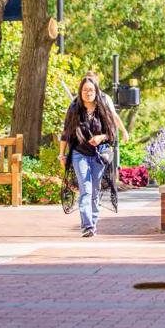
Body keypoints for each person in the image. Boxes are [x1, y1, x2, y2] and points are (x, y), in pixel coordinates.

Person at [58, 76, 117, 237]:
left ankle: (93, 221)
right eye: (85, 90)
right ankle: (87, 226)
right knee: (86, 189)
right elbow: (65, 133)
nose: (88, 93)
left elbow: (111, 133)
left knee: (95, 190)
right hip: (79, 154)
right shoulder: (74, 109)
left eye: (91, 90)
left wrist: (100, 137)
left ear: (96, 91)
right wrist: (61, 155)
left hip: (98, 155)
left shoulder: (102, 108)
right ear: (80, 91)